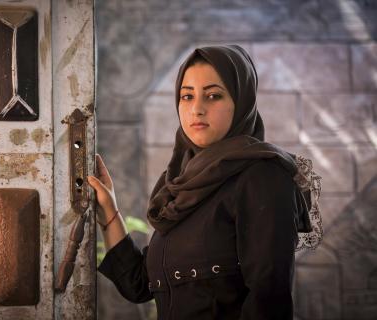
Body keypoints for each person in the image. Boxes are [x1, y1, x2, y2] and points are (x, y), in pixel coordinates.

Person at [88, 45, 313, 320]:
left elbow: (269, 303)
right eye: (187, 96)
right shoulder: (181, 182)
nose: (197, 109)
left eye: (213, 96)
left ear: (242, 101)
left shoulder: (263, 177)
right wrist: (109, 212)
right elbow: (140, 285)